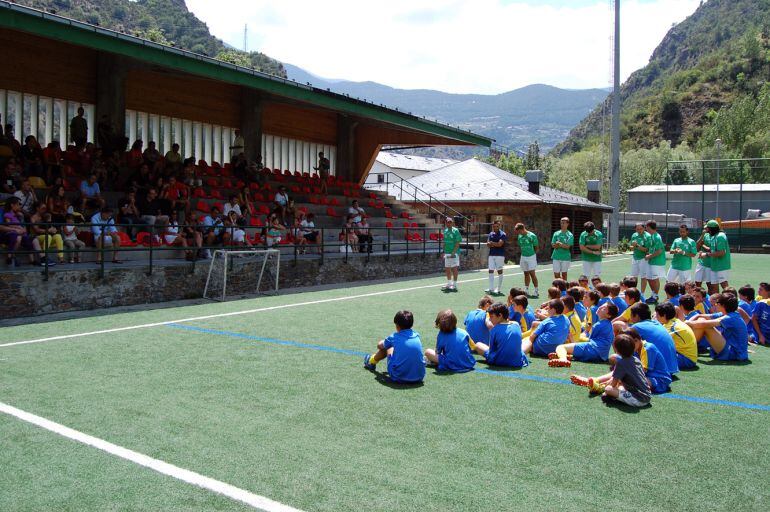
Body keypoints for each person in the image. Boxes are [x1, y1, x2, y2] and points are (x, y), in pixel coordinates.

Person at [363, 310, 425, 384]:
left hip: (398, 377)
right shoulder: (417, 335)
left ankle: (371, 361)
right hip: (419, 376)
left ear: (397, 325)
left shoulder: (394, 337)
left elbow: (379, 346)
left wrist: (384, 342)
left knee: (388, 346)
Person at [549, 302, 618, 367]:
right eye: (602, 306)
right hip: (602, 357)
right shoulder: (610, 326)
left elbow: (590, 341)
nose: (600, 307)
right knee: (575, 348)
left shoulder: (597, 325)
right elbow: (613, 341)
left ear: (609, 315)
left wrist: (573, 341)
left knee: (561, 347)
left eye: (604, 308)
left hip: (592, 350)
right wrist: (617, 355)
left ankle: (563, 359)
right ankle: (568, 356)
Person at [687, 293, 749, 361]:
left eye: (717, 303)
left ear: (723, 305)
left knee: (705, 325)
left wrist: (687, 323)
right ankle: (688, 347)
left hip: (735, 354)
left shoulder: (730, 318)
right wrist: (688, 322)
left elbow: (703, 324)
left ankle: (687, 348)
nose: (716, 304)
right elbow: (699, 316)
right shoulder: (728, 314)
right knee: (702, 320)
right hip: (733, 350)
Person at [597, 333, 652, 408]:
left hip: (638, 399)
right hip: (647, 395)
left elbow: (613, 384)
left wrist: (603, 389)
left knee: (608, 389)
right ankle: (616, 397)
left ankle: (611, 396)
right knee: (620, 386)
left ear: (617, 350)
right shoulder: (636, 359)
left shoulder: (621, 363)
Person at [470, 302, 528, 368]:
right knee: (527, 340)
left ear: (500, 315)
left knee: (478, 345)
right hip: (517, 362)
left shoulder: (494, 329)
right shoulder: (516, 325)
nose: (490, 319)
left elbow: (492, 350)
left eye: (491, 316)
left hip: (498, 361)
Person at [627, 302, 679, 375]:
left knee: (629, 348)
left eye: (631, 315)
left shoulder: (636, 327)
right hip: (671, 368)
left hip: (658, 370)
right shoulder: (657, 323)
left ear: (637, 316)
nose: (630, 318)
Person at [655, 302, 698, 370]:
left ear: (664, 315)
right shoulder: (674, 322)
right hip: (685, 355)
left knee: (655, 358)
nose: (656, 316)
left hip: (687, 359)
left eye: (657, 314)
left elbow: (659, 342)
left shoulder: (672, 327)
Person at [700, 220, 731, 293]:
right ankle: (717, 300)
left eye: (708, 228)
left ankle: (731, 299)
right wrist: (704, 253)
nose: (706, 230)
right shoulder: (713, 237)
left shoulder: (720, 236)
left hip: (722, 266)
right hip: (714, 266)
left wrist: (706, 254)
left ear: (712, 229)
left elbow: (722, 252)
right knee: (714, 286)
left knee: (724, 285)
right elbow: (713, 250)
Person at [643, 220, 666, 304]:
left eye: (646, 227)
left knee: (655, 279)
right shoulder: (652, 236)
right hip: (652, 261)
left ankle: (655, 296)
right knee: (649, 278)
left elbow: (659, 251)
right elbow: (652, 249)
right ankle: (653, 294)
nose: (645, 228)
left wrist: (649, 256)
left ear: (649, 227)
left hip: (657, 262)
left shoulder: (657, 237)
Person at [515, 223, 539, 298]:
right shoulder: (519, 236)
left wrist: (532, 255)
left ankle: (536, 290)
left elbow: (536, 247)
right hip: (523, 256)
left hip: (531, 257)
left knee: (532, 274)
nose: (518, 233)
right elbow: (520, 245)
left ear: (522, 229)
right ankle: (526, 290)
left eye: (519, 231)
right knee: (525, 273)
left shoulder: (532, 236)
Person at [629, 223, 650, 295]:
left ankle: (642, 294)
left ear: (644, 228)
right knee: (633, 277)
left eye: (641, 229)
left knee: (643, 277)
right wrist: (632, 247)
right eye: (637, 229)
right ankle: (633, 292)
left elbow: (647, 250)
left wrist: (637, 245)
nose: (639, 230)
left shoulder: (647, 236)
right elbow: (631, 247)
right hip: (635, 258)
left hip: (643, 259)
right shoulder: (634, 235)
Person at [441, 217, 462, 292]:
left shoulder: (455, 230)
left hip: (454, 253)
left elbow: (458, 242)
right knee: (447, 268)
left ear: (452, 222)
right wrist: (443, 252)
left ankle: (454, 284)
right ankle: (449, 283)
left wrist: (453, 252)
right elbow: (444, 242)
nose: (449, 223)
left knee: (454, 268)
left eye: (450, 222)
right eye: (447, 222)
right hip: (447, 252)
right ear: (446, 223)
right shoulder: (445, 231)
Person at [486, 220, 507, 294]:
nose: (495, 228)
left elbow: (500, 244)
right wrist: (493, 244)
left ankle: (498, 288)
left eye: (497, 226)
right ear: (493, 226)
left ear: (499, 226)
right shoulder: (490, 234)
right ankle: (491, 288)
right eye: (494, 226)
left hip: (500, 255)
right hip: (491, 255)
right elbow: (487, 244)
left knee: (499, 271)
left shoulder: (503, 234)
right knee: (490, 270)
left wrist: (492, 243)